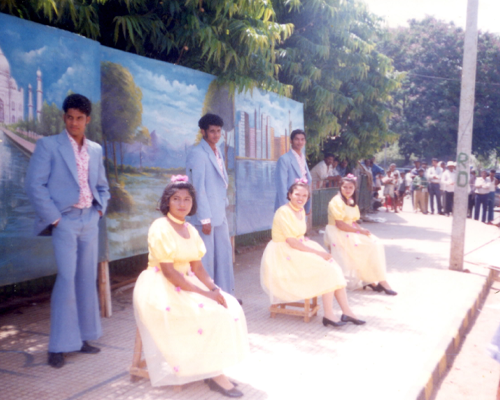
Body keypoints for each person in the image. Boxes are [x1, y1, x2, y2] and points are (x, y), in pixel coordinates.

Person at [133, 177, 248, 397]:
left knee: (228, 306)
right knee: (209, 314)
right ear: (167, 201)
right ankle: (215, 375)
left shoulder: (190, 229)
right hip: (161, 287)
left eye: (187, 199)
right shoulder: (160, 227)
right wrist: (204, 294)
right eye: (176, 199)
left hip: (186, 282)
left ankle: (212, 368)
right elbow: (169, 272)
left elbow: (197, 267)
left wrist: (214, 289)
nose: (182, 204)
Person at [24, 94, 110, 369]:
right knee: (66, 278)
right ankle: (58, 346)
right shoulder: (48, 145)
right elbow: (34, 185)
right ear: (64, 117)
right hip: (65, 220)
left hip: (89, 220)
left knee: (86, 278)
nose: (74, 123)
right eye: (70, 117)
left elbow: (102, 186)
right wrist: (55, 219)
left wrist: (99, 210)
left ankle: (83, 338)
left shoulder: (95, 149)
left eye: (79, 118)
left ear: (88, 120)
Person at [261, 181, 365, 327]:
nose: (301, 198)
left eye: (304, 196)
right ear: (290, 195)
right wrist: (318, 253)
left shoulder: (301, 210)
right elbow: (292, 241)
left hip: (296, 247)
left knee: (333, 266)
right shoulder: (283, 211)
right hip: (283, 254)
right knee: (327, 269)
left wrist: (314, 250)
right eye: (297, 194)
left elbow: (299, 237)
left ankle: (346, 312)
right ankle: (328, 314)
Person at [324, 174, 397, 295]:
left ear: (354, 188)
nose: (348, 190)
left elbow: (352, 221)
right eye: (345, 187)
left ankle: (372, 279)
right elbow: (340, 224)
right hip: (337, 232)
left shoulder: (350, 201)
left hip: (348, 230)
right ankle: (380, 281)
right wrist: (359, 231)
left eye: (350, 187)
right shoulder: (336, 201)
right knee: (367, 247)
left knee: (375, 242)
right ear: (340, 187)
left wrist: (362, 230)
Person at [187, 114, 235, 295]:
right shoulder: (197, 154)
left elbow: (221, 181)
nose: (216, 135)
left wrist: (224, 204)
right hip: (205, 216)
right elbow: (197, 188)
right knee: (206, 259)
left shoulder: (217, 151)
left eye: (218, 131)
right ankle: (207, 298)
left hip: (219, 212)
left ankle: (226, 296)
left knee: (223, 255)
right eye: (212, 131)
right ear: (203, 132)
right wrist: (204, 218)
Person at [274, 129, 312, 213]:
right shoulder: (284, 159)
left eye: (302, 139)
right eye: (297, 139)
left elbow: (307, 182)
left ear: (305, 142)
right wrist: (286, 208)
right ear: (291, 141)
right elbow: (281, 186)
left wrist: (307, 206)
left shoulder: (303, 159)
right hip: (289, 205)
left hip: (301, 204)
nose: (300, 142)